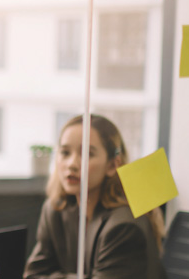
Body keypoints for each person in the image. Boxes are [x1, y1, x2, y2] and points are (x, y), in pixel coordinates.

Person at [24, 114, 166, 279]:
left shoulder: (124, 226)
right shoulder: (55, 209)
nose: (72, 164)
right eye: (65, 152)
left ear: (113, 165)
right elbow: (32, 275)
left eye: (87, 154)